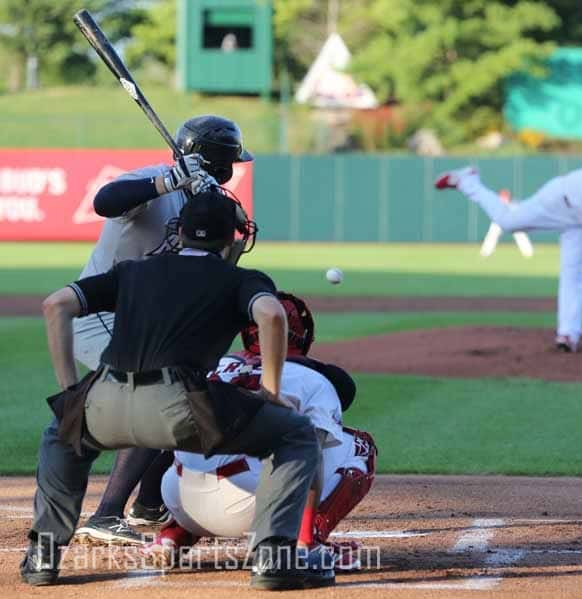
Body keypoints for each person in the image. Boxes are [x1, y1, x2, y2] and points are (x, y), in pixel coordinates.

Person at [21, 190, 334, 590]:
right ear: (232, 240)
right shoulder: (240, 279)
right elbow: (272, 314)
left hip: (104, 400)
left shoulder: (134, 270)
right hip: (180, 408)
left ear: (180, 233)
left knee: (61, 436)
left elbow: (56, 304)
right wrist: (272, 391)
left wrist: (69, 391)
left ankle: (43, 555)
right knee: (295, 434)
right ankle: (273, 557)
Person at [73, 115, 255, 545]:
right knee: (159, 395)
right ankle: (106, 515)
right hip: (101, 316)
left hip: (143, 322)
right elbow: (105, 200)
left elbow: (216, 272)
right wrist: (170, 181)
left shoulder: (205, 201)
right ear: (216, 162)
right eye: (230, 163)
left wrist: (224, 219)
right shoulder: (156, 182)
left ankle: (149, 504)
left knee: (187, 385)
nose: (234, 172)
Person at [141, 292, 377, 570]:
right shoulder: (312, 378)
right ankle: (306, 543)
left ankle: (171, 536)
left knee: (203, 450)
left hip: (178, 499)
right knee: (355, 446)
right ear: (301, 336)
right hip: (248, 507)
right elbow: (313, 450)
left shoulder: (215, 366)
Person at [435, 143, 582, 352]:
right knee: (507, 222)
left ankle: (568, 334)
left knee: (573, 273)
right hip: (559, 201)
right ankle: (467, 181)